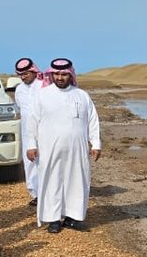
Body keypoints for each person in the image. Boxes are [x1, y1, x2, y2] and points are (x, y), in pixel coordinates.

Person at [25, 58, 101, 234]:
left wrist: (95, 144)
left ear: (70, 75)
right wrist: (31, 145)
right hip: (49, 148)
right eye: (57, 74)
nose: (60, 77)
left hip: (77, 149)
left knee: (76, 181)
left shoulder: (82, 96)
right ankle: (53, 219)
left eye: (64, 74)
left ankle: (72, 217)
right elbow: (32, 123)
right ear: (51, 74)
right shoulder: (42, 95)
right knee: (52, 181)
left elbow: (93, 121)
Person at [12, 57, 47, 206]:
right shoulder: (19, 89)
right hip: (26, 132)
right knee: (30, 163)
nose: (24, 77)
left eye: (26, 73)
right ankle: (35, 193)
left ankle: (47, 193)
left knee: (44, 162)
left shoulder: (43, 86)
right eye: (21, 74)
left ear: (33, 71)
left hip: (44, 130)